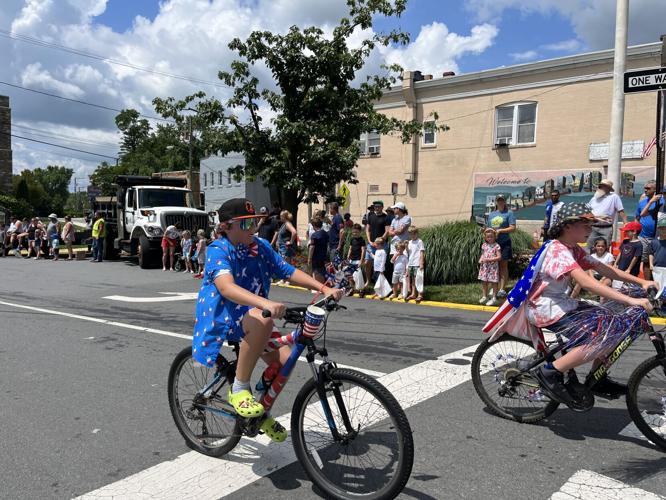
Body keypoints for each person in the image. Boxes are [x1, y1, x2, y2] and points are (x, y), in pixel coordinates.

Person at [192, 198, 343, 442]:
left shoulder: (260, 245)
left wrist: (323, 287)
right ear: (227, 227)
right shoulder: (218, 249)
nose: (253, 228)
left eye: (255, 222)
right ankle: (240, 388)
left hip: (254, 314)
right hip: (225, 316)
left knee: (287, 358)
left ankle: (260, 413)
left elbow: (287, 270)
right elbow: (227, 288)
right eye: (246, 224)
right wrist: (265, 303)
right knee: (263, 321)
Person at [487, 202, 655, 407]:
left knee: (616, 326)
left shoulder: (573, 249)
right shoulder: (557, 251)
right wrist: (630, 299)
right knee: (602, 338)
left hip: (562, 304)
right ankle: (549, 372)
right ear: (568, 226)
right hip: (544, 308)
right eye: (585, 225)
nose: (590, 229)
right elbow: (586, 282)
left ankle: (597, 378)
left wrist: (643, 282)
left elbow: (605, 269)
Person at [486, 194, 516, 297]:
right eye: (498, 200)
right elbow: (488, 228)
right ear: (496, 202)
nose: (500, 202)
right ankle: (495, 287)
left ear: (505, 201)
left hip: (504, 243)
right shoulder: (491, 214)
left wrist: (501, 230)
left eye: (502, 200)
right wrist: (485, 231)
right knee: (494, 266)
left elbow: (513, 228)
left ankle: (502, 289)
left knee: (503, 265)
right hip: (493, 244)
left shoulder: (509, 213)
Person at [586, 178, 628, 251]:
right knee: (590, 247)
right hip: (593, 227)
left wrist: (626, 224)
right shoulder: (594, 198)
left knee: (605, 248)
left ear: (608, 188)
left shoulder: (614, 197)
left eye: (602, 186)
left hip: (606, 228)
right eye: (600, 186)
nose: (600, 188)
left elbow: (621, 211)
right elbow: (588, 210)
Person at [635, 181, 664, 280]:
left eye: (648, 188)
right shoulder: (643, 202)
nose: (645, 190)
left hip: (658, 236)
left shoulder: (662, 202)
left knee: (659, 260)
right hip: (644, 236)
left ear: (654, 190)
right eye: (645, 188)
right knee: (646, 260)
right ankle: (648, 283)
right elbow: (639, 216)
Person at [364, 201, 389, 286]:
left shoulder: (386, 217)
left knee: (380, 263)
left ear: (382, 207)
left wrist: (379, 241)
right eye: (375, 206)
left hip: (381, 244)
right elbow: (367, 229)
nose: (376, 208)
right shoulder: (371, 217)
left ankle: (379, 282)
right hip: (371, 244)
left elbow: (387, 231)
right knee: (367, 262)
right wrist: (370, 241)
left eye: (378, 206)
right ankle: (368, 280)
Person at [478, 227, 501, 306]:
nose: (490, 238)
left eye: (491, 236)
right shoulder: (484, 245)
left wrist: (489, 259)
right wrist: (481, 259)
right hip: (485, 267)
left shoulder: (496, 246)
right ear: (485, 237)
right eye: (488, 237)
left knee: (494, 282)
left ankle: (494, 297)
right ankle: (485, 296)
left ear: (495, 237)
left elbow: (499, 257)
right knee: (484, 281)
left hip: (493, 268)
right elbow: (483, 254)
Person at [405, 226, 425, 303]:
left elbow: (422, 252)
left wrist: (421, 263)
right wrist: (406, 247)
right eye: (410, 234)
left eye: (414, 234)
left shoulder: (420, 241)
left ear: (417, 233)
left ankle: (420, 294)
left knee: (419, 279)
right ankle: (413, 293)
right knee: (413, 279)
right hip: (411, 263)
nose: (412, 236)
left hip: (417, 263)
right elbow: (408, 252)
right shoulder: (409, 242)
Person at [308, 217, 329, 285]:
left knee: (315, 271)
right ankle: (323, 285)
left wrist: (309, 258)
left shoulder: (314, 235)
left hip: (316, 256)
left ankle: (316, 286)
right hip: (323, 255)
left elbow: (312, 247)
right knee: (322, 271)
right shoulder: (325, 233)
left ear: (314, 226)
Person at [346, 223, 366, 294]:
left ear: (360, 232)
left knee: (358, 275)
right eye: (354, 232)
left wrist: (361, 260)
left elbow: (363, 250)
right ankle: (352, 288)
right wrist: (348, 256)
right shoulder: (352, 239)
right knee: (349, 274)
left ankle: (361, 289)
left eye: (356, 232)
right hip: (351, 260)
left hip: (358, 260)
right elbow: (350, 248)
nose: (355, 233)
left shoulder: (362, 240)